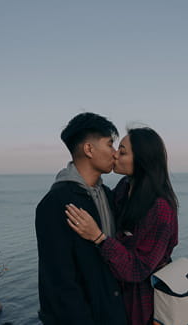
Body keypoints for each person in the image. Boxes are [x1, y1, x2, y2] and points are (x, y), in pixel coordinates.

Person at [66, 127, 179, 325]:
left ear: (143, 159)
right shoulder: (124, 188)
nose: (115, 154)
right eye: (117, 148)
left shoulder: (160, 209)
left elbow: (138, 269)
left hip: (144, 306)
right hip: (118, 297)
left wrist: (98, 237)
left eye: (123, 151)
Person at [35, 112, 127, 325]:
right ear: (88, 149)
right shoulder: (55, 203)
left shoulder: (108, 194)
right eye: (109, 144)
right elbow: (59, 284)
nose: (115, 153)